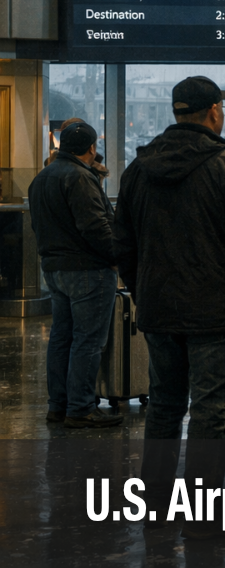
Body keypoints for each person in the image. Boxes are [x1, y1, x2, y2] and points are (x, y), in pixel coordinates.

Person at [113, 76, 225, 539]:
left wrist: (142, 289)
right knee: (212, 411)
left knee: (166, 406)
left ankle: (155, 502)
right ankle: (202, 509)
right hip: (217, 313)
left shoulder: (137, 170)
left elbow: (123, 245)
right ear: (213, 112)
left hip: (159, 311)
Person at [28, 121, 122, 429]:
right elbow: (95, 227)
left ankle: (58, 405)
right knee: (88, 341)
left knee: (61, 338)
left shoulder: (42, 178)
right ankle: (80, 408)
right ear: (92, 149)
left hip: (54, 270)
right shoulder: (81, 177)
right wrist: (116, 259)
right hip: (87, 272)